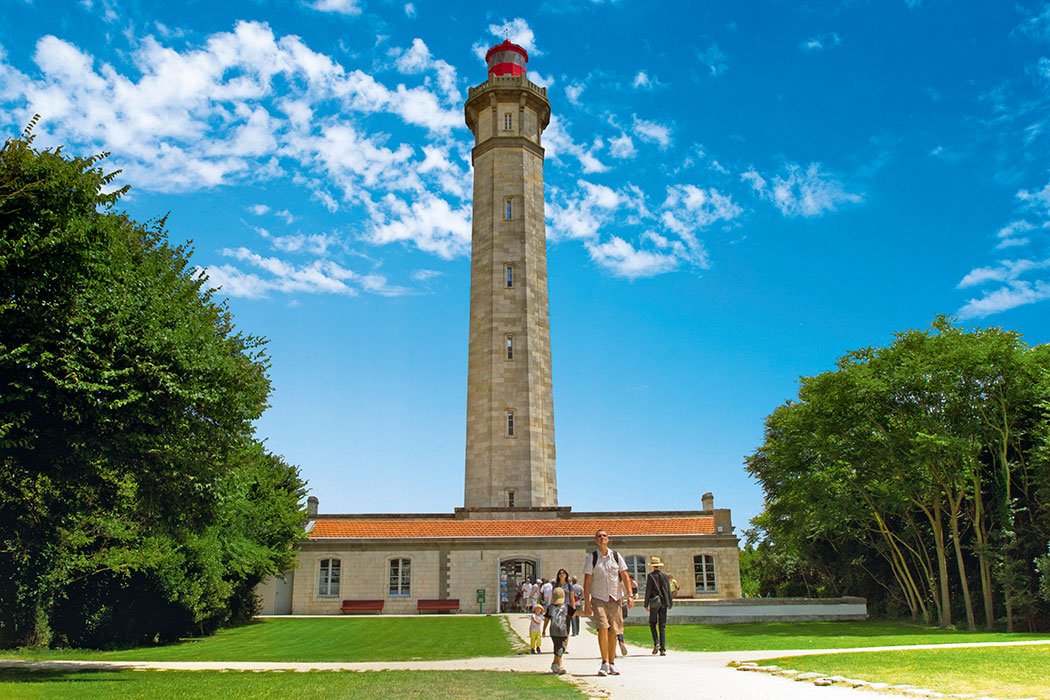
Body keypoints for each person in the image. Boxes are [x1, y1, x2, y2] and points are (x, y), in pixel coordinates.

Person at [582, 528, 633, 677]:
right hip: (599, 598)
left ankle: (612, 663)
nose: (602, 538)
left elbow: (624, 575)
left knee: (613, 631)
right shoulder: (592, 557)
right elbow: (587, 581)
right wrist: (587, 602)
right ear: (596, 540)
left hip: (615, 598)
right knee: (603, 628)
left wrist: (630, 595)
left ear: (608, 539)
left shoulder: (616, 556)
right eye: (599, 536)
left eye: (604, 535)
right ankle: (604, 662)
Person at [644, 556, 673, 656]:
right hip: (664, 602)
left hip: (654, 602)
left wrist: (645, 604)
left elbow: (648, 591)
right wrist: (670, 603)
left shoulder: (650, 576)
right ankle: (663, 649)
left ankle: (656, 642)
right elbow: (668, 590)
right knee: (662, 626)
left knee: (652, 623)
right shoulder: (665, 576)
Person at [545, 587, 571, 674]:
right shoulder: (551, 608)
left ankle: (554, 663)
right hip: (554, 631)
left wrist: (586, 613)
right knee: (558, 647)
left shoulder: (566, 607)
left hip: (564, 631)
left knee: (562, 648)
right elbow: (546, 619)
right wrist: (544, 630)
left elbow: (575, 613)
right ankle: (560, 665)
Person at [552, 569, 576, 651]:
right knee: (557, 626)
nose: (562, 575)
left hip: (567, 607)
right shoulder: (556, 585)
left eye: (563, 573)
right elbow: (553, 597)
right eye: (560, 573)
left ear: (566, 575)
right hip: (557, 608)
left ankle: (565, 644)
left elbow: (572, 597)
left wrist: (573, 609)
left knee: (566, 626)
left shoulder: (569, 585)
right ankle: (559, 643)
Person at [616, 577, 637, 656]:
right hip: (620, 606)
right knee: (619, 626)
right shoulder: (620, 588)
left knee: (610, 628)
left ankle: (612, 650)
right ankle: (621, 641)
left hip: (611, 606)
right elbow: (622, 597)